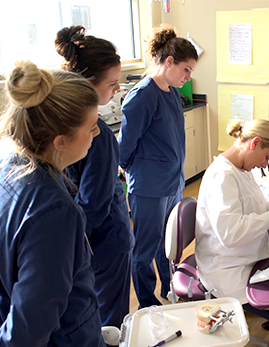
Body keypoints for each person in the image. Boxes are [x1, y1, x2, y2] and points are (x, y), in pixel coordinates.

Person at [0, 60, 109, 347]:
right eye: (91, 129)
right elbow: (28, 327)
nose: (98, 135)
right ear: (60, 141)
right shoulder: (53, 211)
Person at [195, 119, 269, 347]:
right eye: (266, 158)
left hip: (248, 260)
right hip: (227, 270)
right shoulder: (222, 177)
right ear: (254, 143)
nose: (264, 165)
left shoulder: (241, 170)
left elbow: (256, 206)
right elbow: (230, 234)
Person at [54, 26, 134, 338]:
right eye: (112, 84)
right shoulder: (96, 134)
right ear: (88, 85)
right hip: (104, 243)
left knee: (89, 319)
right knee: (110, 323)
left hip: (86, 245)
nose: (117, 90)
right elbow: (92, 204)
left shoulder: (65, 127)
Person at [118, 23, 198, 308]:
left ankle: (170, 286)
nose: (188, 76)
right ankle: (146, 302)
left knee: (170, 242)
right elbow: (124, 147)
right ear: (169, 62)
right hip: (149, 186)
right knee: (145, 248)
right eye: (186, 69)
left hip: (172, 181)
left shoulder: (172, 92)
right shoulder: (142, 96)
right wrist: (128, 169)